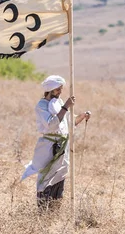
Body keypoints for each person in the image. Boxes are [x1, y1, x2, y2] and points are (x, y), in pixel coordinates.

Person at [21, 75, 91, 208]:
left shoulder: (59, 102)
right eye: (58, 89)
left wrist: (82, 116)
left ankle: (55, 209)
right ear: (50, 90)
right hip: (49, 146)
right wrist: (65, 107)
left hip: (63, 146)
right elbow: (52, 125)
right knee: (47, 177)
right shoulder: (41, 106)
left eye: (61, 89)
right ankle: (43, 210)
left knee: (60, 175)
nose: (60, 92)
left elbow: (68, 123)